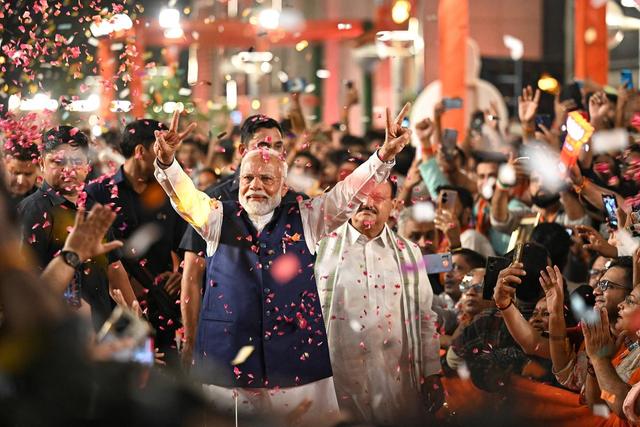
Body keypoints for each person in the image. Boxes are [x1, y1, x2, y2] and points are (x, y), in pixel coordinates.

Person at [153, 105, 413, 421]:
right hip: (226, 359)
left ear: (284, 185)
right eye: (248, 178)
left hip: (296, 362)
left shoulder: (308, 218)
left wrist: (383, 156)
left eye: (266, 178)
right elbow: (183, 197)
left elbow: (348, 194)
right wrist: (167, 163)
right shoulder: (216, 216)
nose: (255, 186)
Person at [178, 114, 304, 371]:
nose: (271, 152)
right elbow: (192, 275)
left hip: (284, 338)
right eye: (263, 145)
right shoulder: (214, 200)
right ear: (242, 150)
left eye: (278, 146)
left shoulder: (297, 203)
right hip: (226, 334)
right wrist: (191, 341)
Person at [315, 177, 442, 424]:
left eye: (378, 198)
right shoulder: (320, 247)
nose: (367, 203)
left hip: (396, 381)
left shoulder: (409, 252)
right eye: (361, 196)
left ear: (393, 205)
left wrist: (432, 373)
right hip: (337, 381)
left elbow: (424, 317)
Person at [85, 119, 188, 366]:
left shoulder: (171, 191)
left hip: (162, 303)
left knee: (169, 379)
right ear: (141, 151)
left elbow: (188, 242)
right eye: (160, 149)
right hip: (115, 309)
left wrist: (182, 273)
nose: (167, 156)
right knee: (124, 380)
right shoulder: (97, 193)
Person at [18, 126, 135, 330]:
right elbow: (22, 283)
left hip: (100, 331)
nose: (69, 170)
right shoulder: (32, 211)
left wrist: (137, 322)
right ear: (42, 164)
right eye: (58, 162)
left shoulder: (92, 207)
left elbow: (114, 269)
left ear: (87, 166)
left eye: (77, 162)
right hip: (54, 334)